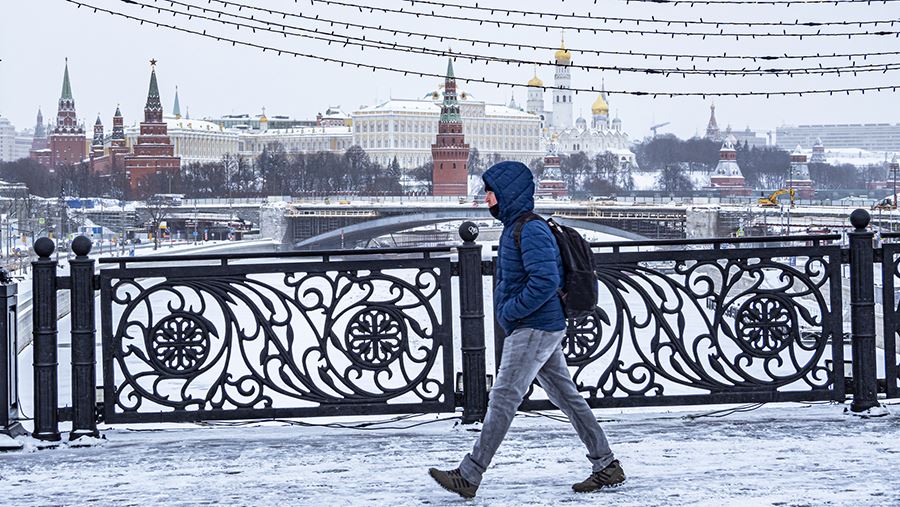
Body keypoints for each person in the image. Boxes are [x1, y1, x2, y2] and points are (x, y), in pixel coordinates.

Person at [429, 161, 624, 498]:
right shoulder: (516, 227)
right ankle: (606, 464)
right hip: (538, 327)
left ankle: (469, 474)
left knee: (503, 398)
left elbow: (545, 280)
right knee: (566, 397)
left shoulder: (529, 229)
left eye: (490, 192)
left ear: (507, 193)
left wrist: (509, 310)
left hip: (533, 327)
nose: (486, 198)